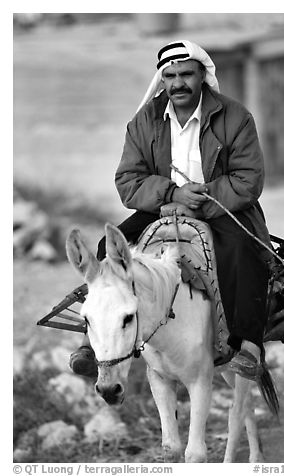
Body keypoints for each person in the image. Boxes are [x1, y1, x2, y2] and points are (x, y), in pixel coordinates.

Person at [70, 40, 271, 380]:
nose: (178, 83)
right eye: (170, 75)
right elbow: (128, 180)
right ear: (161, 80)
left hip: (223, 208)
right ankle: (93, 342)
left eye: (186, 74)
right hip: (163, 207)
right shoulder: (144, 122)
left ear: (202, 76)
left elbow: (249, 179)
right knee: (108, 250)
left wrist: (202, 199)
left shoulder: (235, 117)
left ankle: (249, 344)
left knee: (241, 250)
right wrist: (173, 194)